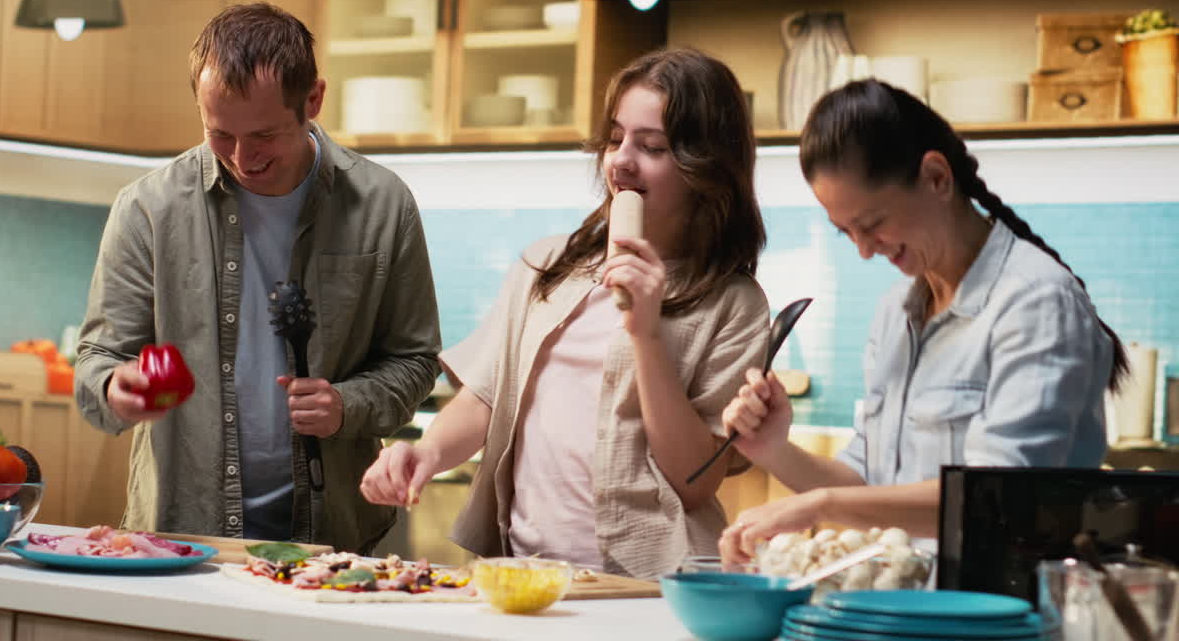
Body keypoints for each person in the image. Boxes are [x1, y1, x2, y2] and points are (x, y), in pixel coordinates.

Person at [359, 47, 771, 579]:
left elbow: (693, 480)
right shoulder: (546, 267)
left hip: (651, 588)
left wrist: (646, 335)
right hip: (526, 576)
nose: (621, 160)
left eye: (652, 147)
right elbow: (488, 396)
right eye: (615, 138)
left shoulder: (732, 303)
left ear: (705, 168)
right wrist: (427, 453)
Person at [75, 3, 441, 552]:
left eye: (264, 135)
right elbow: (97, 359)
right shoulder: (148, 208)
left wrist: (348, 404)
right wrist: (113, 387)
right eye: (220, 134)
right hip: (179, 533)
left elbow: (414, 360)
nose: (243, 158)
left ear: (313, 99)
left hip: (331, 537)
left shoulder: (384, 206)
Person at [718, 79, 1127, 564]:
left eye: (871, 225)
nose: (865, 250)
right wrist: (772, 449)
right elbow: (869, 483)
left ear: (936, 177)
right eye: (846, 232)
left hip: (1002, 614)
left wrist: (820, 506)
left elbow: (998, 498)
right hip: (908, 604)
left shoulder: (1037, 304)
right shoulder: (897, 314)